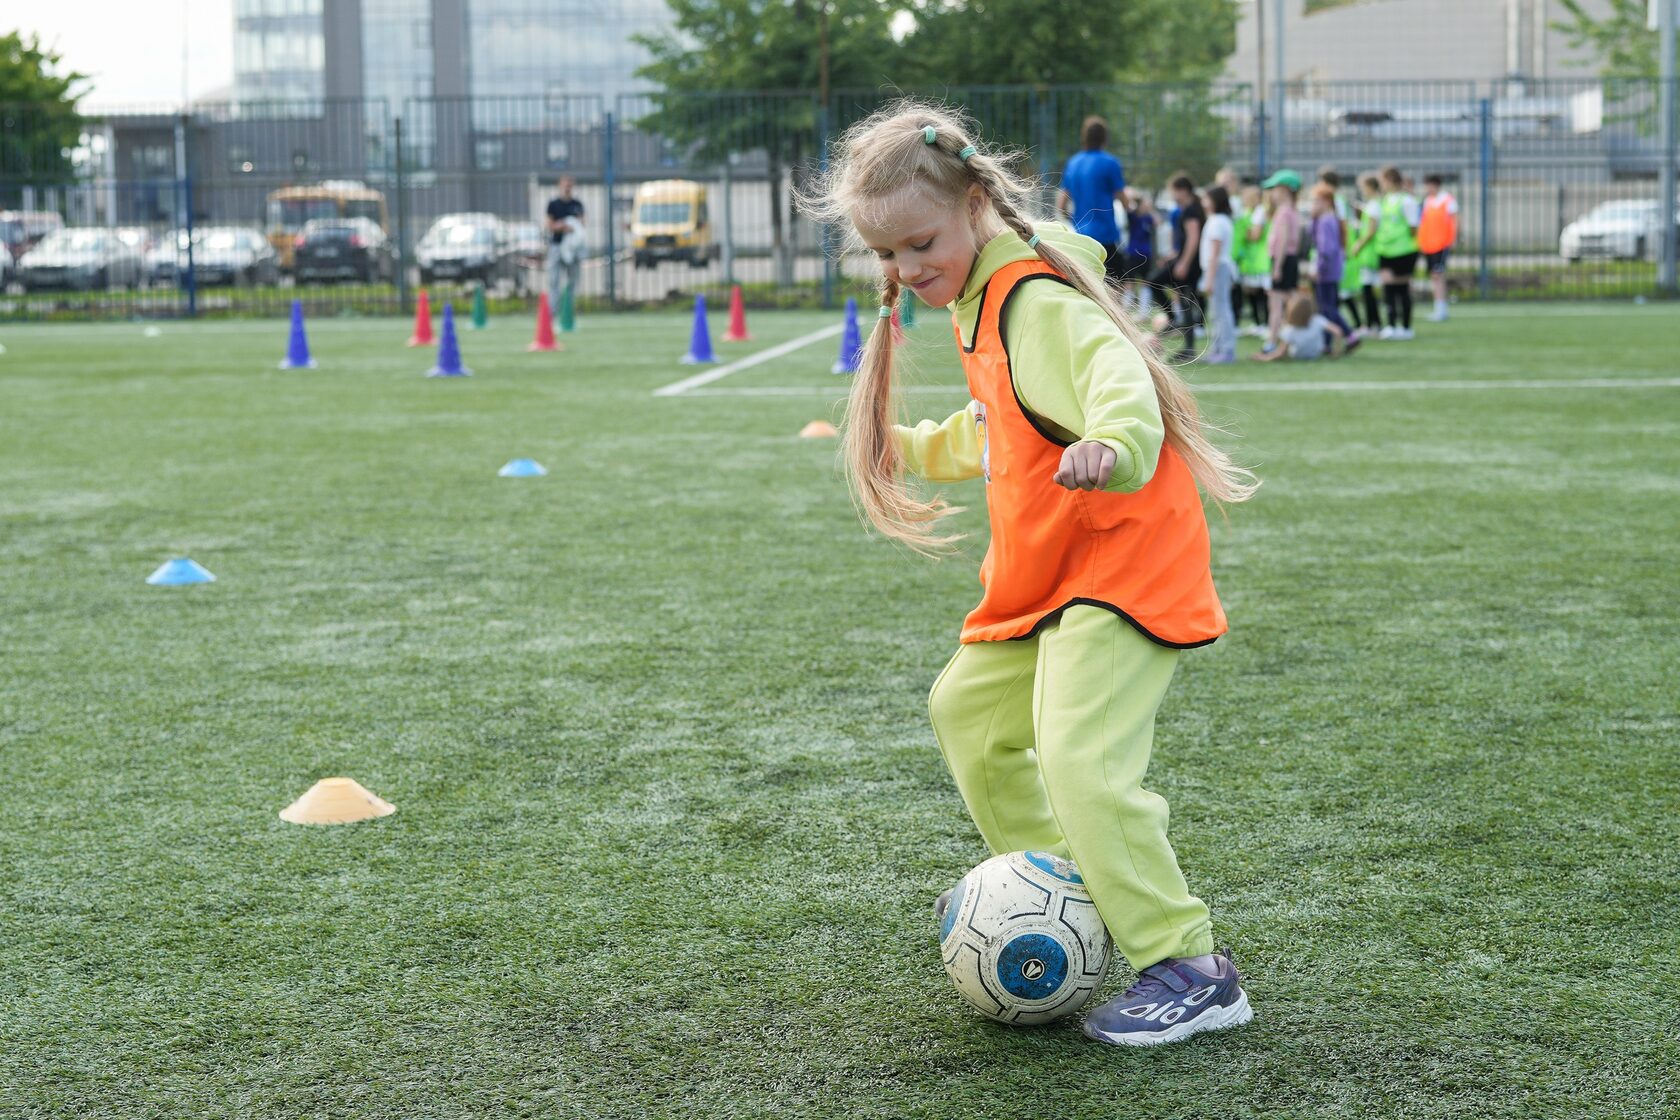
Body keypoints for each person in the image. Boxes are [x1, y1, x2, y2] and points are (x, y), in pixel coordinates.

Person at [800, 101, 1258, 1048]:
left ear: (974, 206)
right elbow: (1008, 423)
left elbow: (1115, 381)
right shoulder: (978, 298)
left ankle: (1190, 965)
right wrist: (916, 450)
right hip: (1053, 569)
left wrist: (1114, 443)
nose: (904, 270)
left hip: (1122, 561)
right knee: (967, 712)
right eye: (886, 256)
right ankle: (1065, 879)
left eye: (918, 243)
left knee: (1080, 758)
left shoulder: (1034, 299)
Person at [1056, 116, 1127, 288]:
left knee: (1088, 288)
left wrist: (1074, 219)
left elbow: (1061, 205)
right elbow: (1123, 200)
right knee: (1115, 287)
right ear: (1104, 138)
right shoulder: (1110, 163)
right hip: (1106, 237)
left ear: (1084, 137)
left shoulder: (1073, 164)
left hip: (1081, 237)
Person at [1151, 173, 1204, 358]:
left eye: (1173, 190)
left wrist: (1184, 262)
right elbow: (1185, 241)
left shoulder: (1192, 210)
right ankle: (1175, 321)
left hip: (1190, 264)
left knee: (1185, 301)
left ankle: (1187, 346)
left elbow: (1193, 237)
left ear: (1183, 190)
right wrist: (1173, 256)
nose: (1172, 195)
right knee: (1158, 285)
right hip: (1184, 260)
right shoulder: (1186, 209)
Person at [1307, 182, 1358, 351]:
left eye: (1316, 201)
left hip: (1326, 271)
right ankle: (1326, 343)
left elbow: (1326, 249)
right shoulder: (1326, 219)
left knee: (1327, 308)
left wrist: (1319, 269)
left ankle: (1349, 334)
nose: (1312, 205)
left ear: (1327, 202)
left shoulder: (1326, 221)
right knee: (1326, 308)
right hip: (1331, 269)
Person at [1373, 165, 1421, 340]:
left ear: (1391, 180)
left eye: (1382, 181)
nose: (1381, 185)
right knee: (1388, 288)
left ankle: (1406, 327)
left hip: (1404, 251)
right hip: (1385, 250)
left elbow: (1413, 227)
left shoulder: (1407, 201)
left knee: (1402, 288)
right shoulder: (1384, 201)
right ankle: (1391, 325)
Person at [1260, 170, 1302, 353]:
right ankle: (1289, 339)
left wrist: (1277, 266)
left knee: (1276, 304)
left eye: (1275, 189)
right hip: (1290, 260)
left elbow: (1283, 241)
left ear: (1285, 190)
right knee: (1290, 302)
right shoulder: (1293, 212)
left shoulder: (1284, 213)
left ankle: (1272, 341)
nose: (1272, 193)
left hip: (1282, 260)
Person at [1199, 185, 1237, 364]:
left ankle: (1226, 349)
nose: (1204, 203)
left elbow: (1215, 253)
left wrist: (1209, 279)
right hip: (1219, 268)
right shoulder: (1221, 220)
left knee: (1220, 311)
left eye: (1207, 199)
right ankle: (1219, 348)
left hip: (1218, 268)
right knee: (1218, 311)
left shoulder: (1217, 222)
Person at [1253, 289, 1346, 361]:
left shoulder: (1290, 330)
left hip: (1297, 355)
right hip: (1316, 353)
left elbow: (1280, 353)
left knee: (1283, 333)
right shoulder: (1318, 320)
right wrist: (1336, 352)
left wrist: (1263, 358)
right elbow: (1337, 331)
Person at [1418, 174, 1459, 322]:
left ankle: (1441, 309)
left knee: (1438, 275)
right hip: (1429, 245)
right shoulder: (1427, 201)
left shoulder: (1447, 200)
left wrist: (1454, 238)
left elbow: (1454, 221)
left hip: (1442, 243)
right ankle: (1438, 308)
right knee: (1434, 276)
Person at [545, 176, 585, 323]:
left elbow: (581, 224)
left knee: (573, 280)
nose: (567, 186)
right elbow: (549, 225)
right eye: (565, 184)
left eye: (570, 184)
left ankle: (569, 312)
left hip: (572, 247)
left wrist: (573, 226)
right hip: (556, 245)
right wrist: (561, 226)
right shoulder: (553, 204)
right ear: (560, 185)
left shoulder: (577, 204)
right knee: (554, 280)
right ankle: (552, 313)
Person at [1349, 173, 1385, 336]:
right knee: (1368, 289)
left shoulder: (1374, 205)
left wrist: (1358, 245)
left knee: (1369, 290)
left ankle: (1373, 324)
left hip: (1370, 253)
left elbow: (1371, 230)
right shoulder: (1373, 205)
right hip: (1369, 253)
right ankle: (1373, 324)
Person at [1234, 184, 1271, 337]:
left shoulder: (1260, 212)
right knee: (1252, 293)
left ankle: (1266, 324)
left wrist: (1243, 232)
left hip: (1260, 261)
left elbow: (1255, 235)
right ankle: (1258, 323)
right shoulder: (1248, 212)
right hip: (1250, 261)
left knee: (1262, 294)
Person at [1118, 188, 1156, 313]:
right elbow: (1127, 205)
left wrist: (1149, 209)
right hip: (1132, 253)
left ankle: (1144, 313)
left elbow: (1158, 222)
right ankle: (1124, 311)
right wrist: (1134, 197)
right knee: (1129, 283)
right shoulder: (1132, 216)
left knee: (1146, 283)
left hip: (1146, 255)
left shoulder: (1148, 218)